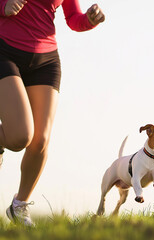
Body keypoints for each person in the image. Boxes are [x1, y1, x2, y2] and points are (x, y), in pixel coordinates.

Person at [0, 0, 105, 226]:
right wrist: (3, 6)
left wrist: (89, 19)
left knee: (40, 140)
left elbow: (73, 18)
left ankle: (19, 207)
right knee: (19, 136)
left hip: (45, 60)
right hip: (4, 49)